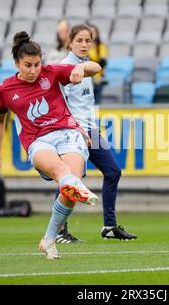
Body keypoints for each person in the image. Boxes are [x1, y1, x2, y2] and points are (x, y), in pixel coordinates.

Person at [0, 31, 102, 260]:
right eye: (28, 65)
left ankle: (49, 239)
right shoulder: (6, 90)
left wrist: (81, 68)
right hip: (39, 141)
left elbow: (96, 67)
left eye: (37, 64)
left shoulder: (51, 73)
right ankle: (79, 190)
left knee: (69, 190)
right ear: (16, 63)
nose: (33, 71)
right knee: (65, 174)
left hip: (70, 133)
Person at [56, 24, 137, 243]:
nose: (84, 44)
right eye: (79, 40)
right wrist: (76, 128)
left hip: (91, 130)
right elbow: (59, 105)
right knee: (70, 179)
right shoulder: (63, 68)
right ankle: (59, 230)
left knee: (113, 172)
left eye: (88, 40)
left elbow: (96, 70)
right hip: (73, 132)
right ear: (70, 43)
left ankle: (109, 226)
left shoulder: (86, 66)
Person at [87, 23, 108, 104]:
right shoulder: (85, 46)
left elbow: (103, 62)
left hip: (99, 75)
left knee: (97, 98)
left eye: (94, 32)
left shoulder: (101, 46)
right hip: (87, 76)